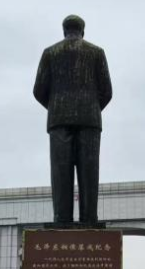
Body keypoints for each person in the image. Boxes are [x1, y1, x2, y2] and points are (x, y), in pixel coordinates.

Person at [33, 14, 113, 225]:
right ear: (82, 31)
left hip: (59, 121)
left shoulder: (50, 53)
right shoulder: (96, 52)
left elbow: (39, 90)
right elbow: (107, 90)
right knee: (89, 171)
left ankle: (62, 219)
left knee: (61, 172)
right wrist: (91, 108)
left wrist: (57, 107)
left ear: (64, 30)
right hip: (90, 120)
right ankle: (89, 219)